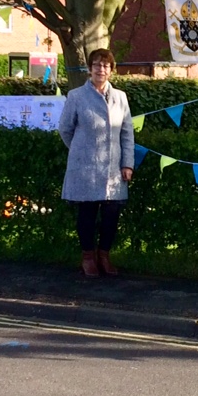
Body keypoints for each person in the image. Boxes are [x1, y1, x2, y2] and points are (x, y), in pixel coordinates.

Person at [57, 48, 135, 278]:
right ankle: (88, 258)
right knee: (88, 213)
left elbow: (127, 133)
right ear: (90, 69)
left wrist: (127, 164)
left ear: (111, 70)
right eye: (97, 65)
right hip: (85, 167)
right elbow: (65, 129)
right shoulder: (76, 97)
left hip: (114, 168)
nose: (101, 69)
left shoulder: (120, 97)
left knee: (112, 214)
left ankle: (104, 256)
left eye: (106, 65)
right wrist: (80, 151)